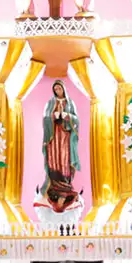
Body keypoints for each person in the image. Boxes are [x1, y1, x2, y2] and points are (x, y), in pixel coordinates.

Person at [41, 80, 80, 213]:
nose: (58, 91)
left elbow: (77, 120)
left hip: (65, 136)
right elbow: (45, 117)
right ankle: (54, 184)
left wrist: (67, 116)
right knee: (53, 159)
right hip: (53, 136)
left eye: (59, 89)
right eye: (56, 89)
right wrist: (52, 116)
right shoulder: (50, 103)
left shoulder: (70, 103)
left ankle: (65, 183)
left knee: (64, 159)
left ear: (63, 89)